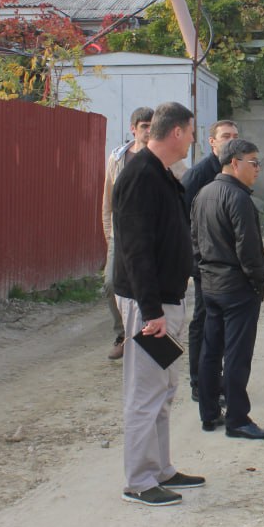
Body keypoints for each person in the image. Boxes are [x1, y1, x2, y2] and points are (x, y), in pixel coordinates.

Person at [111, 101, 204, 506]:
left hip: (165, 300)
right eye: (191, 131)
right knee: (145, 392)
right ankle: (139, 481)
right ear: (177, 133)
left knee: (164, 388)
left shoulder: (160, 173)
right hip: (147, 306)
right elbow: (135, 250)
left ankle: (161, 468)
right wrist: (150, 313)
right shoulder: (139, 176)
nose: (193, 138)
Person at [191, 138, 264, 440]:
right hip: (236, 286)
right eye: (253, 162)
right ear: (234, 163)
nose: (258, 169)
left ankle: (209, 412)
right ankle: (238, 418)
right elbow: (250, 251)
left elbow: (195, 242)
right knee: (237, 355)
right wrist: (256, 284)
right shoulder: (238, 198)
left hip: (212, 284)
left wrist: (203, 271)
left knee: (211, 351)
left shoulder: (204, 193)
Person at [181, 120, 240, 398]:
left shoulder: (237, 170)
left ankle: (220, 382)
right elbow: (183, 223)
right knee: (203, 322)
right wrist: (196, 261)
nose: (231, 140)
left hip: (229, 265)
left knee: (225, 326)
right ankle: (199, 383)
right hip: (205, 265)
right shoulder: (197, 176)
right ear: (212, 142)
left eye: (235, 136)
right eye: (225, 136)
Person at [101, 107, 152, 360]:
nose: (149, 130)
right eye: (144, 126)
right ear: (133, 128)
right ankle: (122, 333)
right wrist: (110, 234)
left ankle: (148, 339)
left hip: (149, 237)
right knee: (111, 283)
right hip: (120, 237)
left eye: (152, 125)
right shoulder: (118, 158)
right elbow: (107, 200)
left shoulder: (160, 157)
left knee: (145, 287)